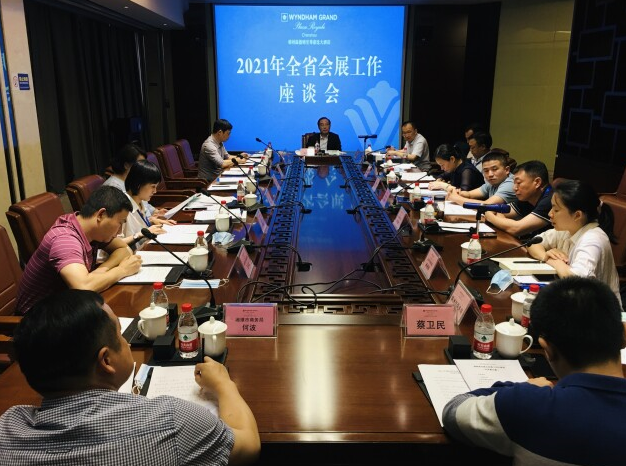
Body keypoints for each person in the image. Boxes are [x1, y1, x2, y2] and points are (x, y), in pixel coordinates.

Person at [0, 289, 260, 465]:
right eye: (119, 333)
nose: (126, 341)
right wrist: (223, 384)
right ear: (106, 361)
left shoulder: (7, 429)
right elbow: (248, 446)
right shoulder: (171, 421)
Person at [442, 276, 626, 465]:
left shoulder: (528, 405)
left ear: (548, 349)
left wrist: (521, 389)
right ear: (623, 336)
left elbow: (453, 412)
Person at [15, 186, 142, 314]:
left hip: (67, 306)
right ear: (101, 215)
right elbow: (83, 287)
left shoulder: (88, 228)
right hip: (37, 318)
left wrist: (101, 270)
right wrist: (122, 270)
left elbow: (123, 249)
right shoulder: (65, 239)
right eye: (120, 222)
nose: (120, 231)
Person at [527, 179, 621, 304]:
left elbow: (577, 281)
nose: (550, 214)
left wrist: (554, 261)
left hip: (600, 311)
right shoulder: (568, 229)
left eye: (556, 210)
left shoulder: (593, 239)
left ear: (577, 215)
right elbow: (532, 243)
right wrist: (545, 255)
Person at [104, 142, 170, 225]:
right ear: (126, 165)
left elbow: (143, 203)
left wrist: (155, 211)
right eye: (139, 163)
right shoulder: (112, 188)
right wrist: (149, 221)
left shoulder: (136, 181)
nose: (143, 166)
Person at [484, 160, 553, 238]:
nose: (514, 188)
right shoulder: (528, 197)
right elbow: (499, 212)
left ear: (537, 182)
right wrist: (506, 223)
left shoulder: (551, 200)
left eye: (518, 183)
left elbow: (516, 229)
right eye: (514, 183)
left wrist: (490, 217)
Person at [121, 159, 171, 249]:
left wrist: (151, 221)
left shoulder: (141, 201)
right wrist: (141, 233)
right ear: (139, 184)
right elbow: (113, 244)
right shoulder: (121, 206)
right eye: (153, 186)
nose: (155, 191)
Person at [446, 151, 517, 206]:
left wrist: (456, 198)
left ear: (507, 170)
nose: (490, 174)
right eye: (486, 171)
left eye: (494, 169)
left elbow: (487, 205)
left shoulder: (511, 184)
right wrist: (459, 193)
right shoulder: (493, 182)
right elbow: (469, 194)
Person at [198, 119, 249, 183]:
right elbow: (222, 164)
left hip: (219, 177)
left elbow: (227, 157)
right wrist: (238, 160)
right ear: (220, 132)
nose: (229, 136)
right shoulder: (209, 146)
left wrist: (239, 156)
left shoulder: (219, 142)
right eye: (228, 133)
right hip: (208, 182)